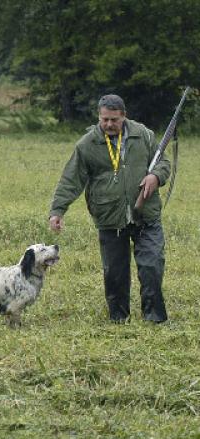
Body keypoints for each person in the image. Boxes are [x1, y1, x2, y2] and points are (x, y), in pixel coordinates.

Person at [49, 94, 170, 323]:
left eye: (114, 120)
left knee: (152, 267)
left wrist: (155, 176)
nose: (109, 125)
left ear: (123, 116)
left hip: (146, 215)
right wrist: (57, 211)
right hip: (109, 218)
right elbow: (71, 179)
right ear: (99, 117)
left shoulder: (143, 135)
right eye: (104, 119)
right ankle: (118, 319)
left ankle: (155, 319)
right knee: (114, 274)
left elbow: (163, 161)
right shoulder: (87, 144)